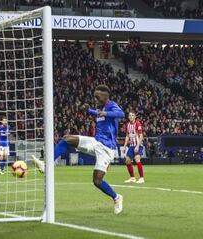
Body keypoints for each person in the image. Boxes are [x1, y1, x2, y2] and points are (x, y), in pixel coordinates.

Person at [34, 85, 125, 214]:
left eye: (98, 97)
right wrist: (89, 111)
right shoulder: (100, 108)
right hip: (95, 142)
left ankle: (117, 197)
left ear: (105, 96)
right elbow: (97, 113)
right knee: (66, 139)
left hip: (107, 148)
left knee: (97, 181)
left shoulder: (111, 105)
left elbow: (122, 113)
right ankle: (46, 165)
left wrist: (106, 113)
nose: (96, 99)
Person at [123, 112, 145, 183]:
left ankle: (141, 178)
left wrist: (138, 146)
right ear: (128, 117)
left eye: (132, 115)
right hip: (132, 146)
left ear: (135, 117)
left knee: (137, 159)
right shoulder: (127, 125)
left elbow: (141, 135)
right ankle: (132, 178)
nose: (131, 116)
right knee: (127, 160)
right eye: (130, 115)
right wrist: (124, 146)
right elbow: (127, 136)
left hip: (138, 144)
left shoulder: (137, 123)